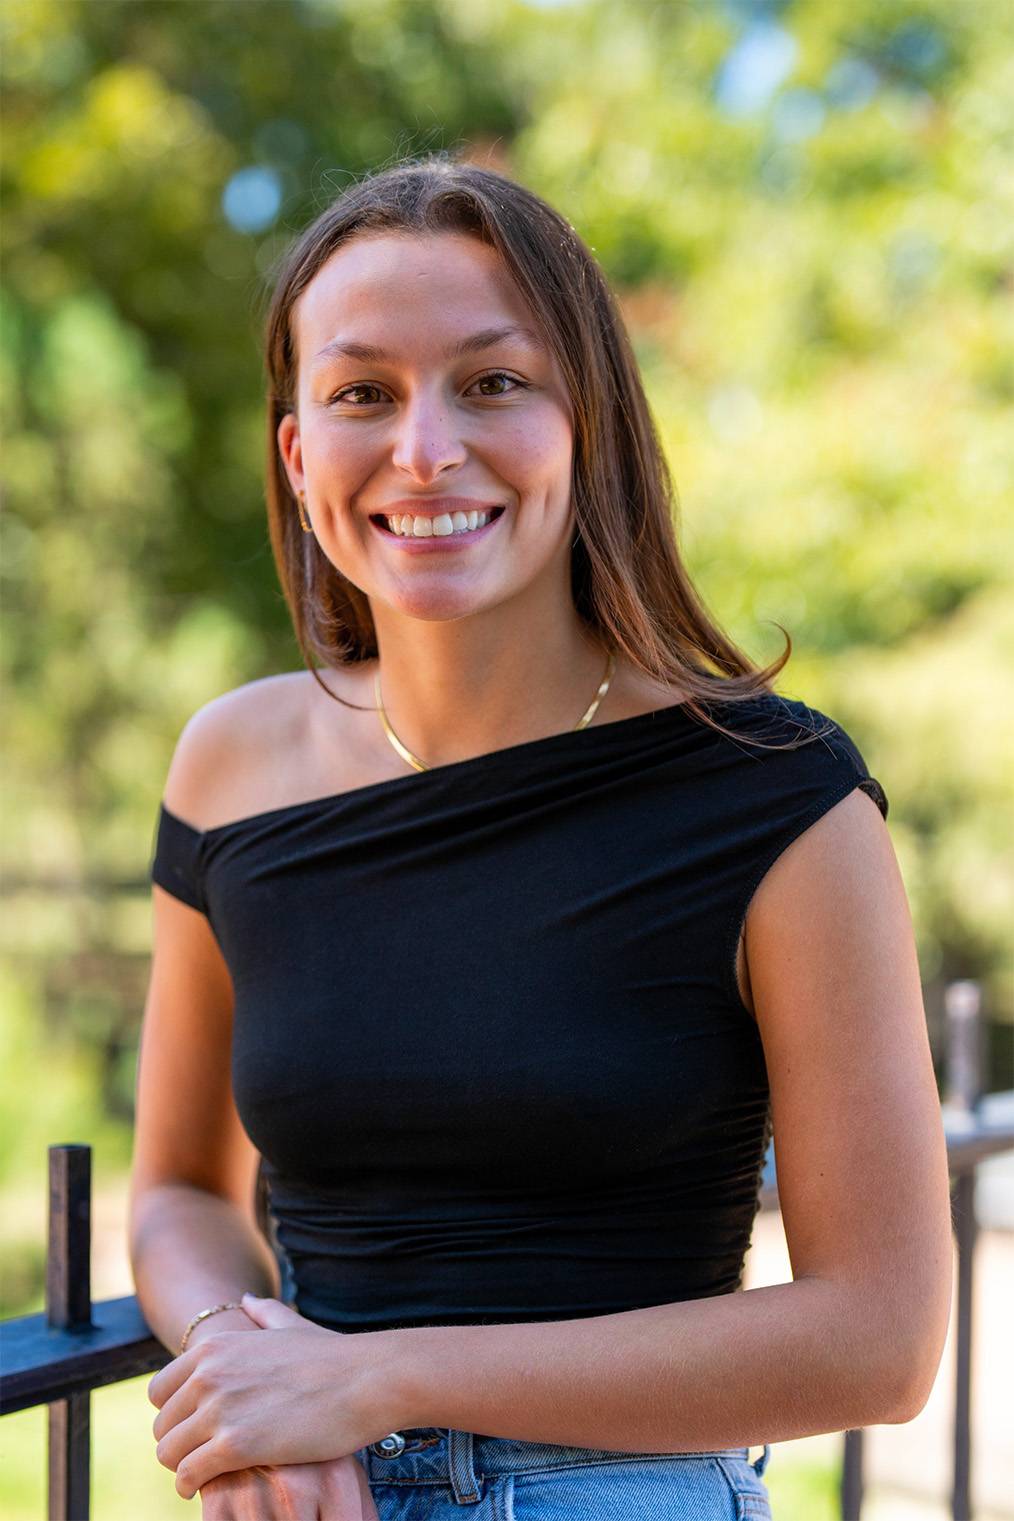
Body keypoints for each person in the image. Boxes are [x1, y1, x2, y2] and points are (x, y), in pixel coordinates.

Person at [130, 154, 952, 1520]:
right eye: (361, 394)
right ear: (296, 450)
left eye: (493, 381)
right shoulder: (231, 765)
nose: (426, 449)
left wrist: (372, 1379)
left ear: (590, 423)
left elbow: (877, 1336)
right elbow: (175, 1187)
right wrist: (247, 1362)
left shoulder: (773, 794)